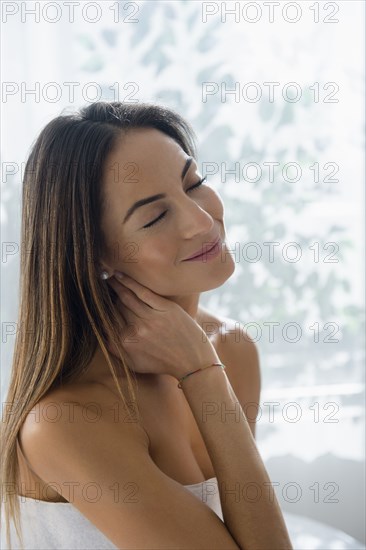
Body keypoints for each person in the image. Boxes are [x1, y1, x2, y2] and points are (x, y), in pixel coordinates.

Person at [0, 101, 293, 549]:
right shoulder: (66, 419)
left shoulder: (231, 348)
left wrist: (205, 371)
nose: (201, 220)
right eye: (155, 216)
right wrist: (203, 377)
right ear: (92, 253)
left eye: (193, 184)